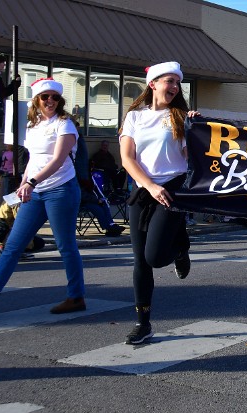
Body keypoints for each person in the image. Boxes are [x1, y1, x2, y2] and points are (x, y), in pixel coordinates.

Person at [0, 78, 85, 315]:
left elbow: (58, 160)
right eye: (45, 97)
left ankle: (76, 297)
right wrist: (24, 182)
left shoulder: (64, 124)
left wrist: (32, 182)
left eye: (55, 97)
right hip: (35, 192)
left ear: (60, 100)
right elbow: (34, 158)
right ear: (36, 100)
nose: (50, 101)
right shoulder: (33, 126)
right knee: (13, 245)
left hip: (61, 190)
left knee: (66, 246)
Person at [119, 61, 198, 345]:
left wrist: (197, 129)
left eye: (177, 83)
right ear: (153, 84)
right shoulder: (135, 117)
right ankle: (143, 323)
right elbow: (128, 158)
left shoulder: (181, 116)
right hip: (144, 189)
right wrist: (149, 185)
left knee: (155, 257)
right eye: (169, 81)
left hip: (173, 188)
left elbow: (194, 156)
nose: (174, 87)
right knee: (141, 262)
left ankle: (179, 247)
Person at [71, 124, 125, 237]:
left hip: (89, 197)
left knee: (104, 203)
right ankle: (108, 227)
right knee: (97, 207)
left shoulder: (88, 178)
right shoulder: (77, 177)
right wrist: (96, 200)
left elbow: (93, 190)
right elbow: (82, 194)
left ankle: (111, 225)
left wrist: (99, 199)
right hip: (81, 200)